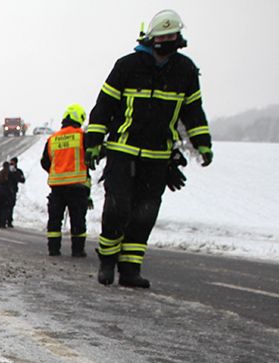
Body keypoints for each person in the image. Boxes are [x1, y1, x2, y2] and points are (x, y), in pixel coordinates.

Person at [85, 8, 212, 288]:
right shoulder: (127, 66)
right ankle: (107, 260)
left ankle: (130, 269)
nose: (169, 40)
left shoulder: (185, 71)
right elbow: (103, 106)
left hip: (157, 157)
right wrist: (93, 142)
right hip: (122, 150)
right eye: (164, 35)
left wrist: (203, 144)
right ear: (151, 38)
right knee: (118, 208)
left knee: (145, 213)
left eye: (173, 35)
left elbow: (193, 111)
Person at [40, 104, 91, 257]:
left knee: (55, 220)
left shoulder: (53, 139)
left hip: (57, 188)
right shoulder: (82, 136)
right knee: (78, 220)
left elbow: (44, 162)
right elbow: (93, 155)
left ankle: (53, 249)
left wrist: (56, 171)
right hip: (77, 187)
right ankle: (77, 250)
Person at [5, 157, 26, 227]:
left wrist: (15, 173)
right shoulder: (7, 170)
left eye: (13, 163)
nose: (11, 164)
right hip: (6, 190)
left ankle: (9, 220)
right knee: (5, 205)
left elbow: (22, 180)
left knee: (11, 206)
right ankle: (4, 219)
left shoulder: (18, 171)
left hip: (13, 191)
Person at [0, 161, 13, 228]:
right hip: (6, 194)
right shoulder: (10, 174)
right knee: (5, 209)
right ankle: (3, 222)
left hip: (0, 193)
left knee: (0, 208)